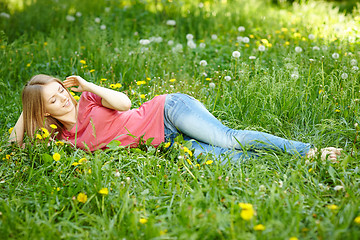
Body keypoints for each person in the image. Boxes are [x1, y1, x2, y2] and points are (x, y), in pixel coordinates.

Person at [9, 74, 341, 164]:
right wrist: (30, 103)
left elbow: (124, 104)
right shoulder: (62, 139)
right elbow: (16, 143)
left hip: (168, 110)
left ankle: (309, 152)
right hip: (168, 144)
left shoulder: (89, 100)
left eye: (62, 91)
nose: (64, 98)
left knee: (228, 138)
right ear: (45, 112)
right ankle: (293, 163)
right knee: (230, 160)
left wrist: (86, 84)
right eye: (54, 100)